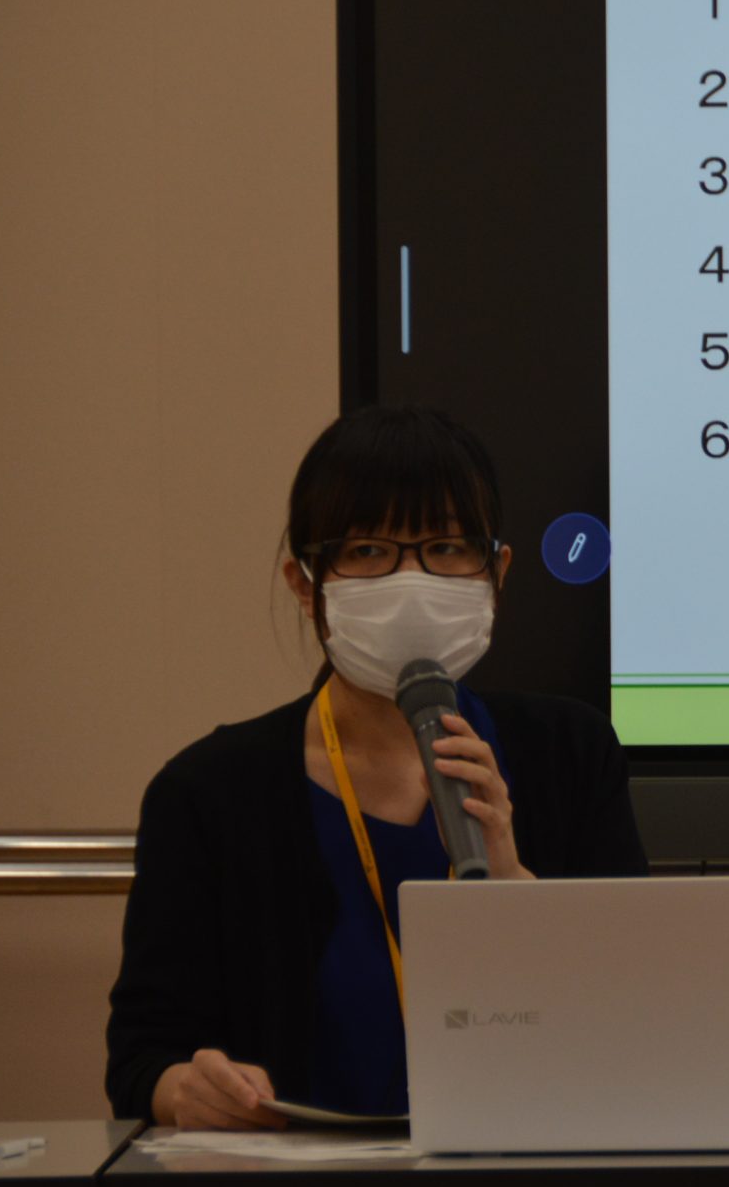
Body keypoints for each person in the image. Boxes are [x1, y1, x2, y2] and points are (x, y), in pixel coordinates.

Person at [106, 406, 647, 1126]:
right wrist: (185, 1087)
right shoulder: (206, 791)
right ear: (306, 583)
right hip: (304, 1184)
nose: (410, 581)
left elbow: (643, 1017)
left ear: (498, 571)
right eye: (367, 550)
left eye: (447, 546)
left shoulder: (570, 752)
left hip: (527, 1178)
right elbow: (141, 1057)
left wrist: (514, 886)